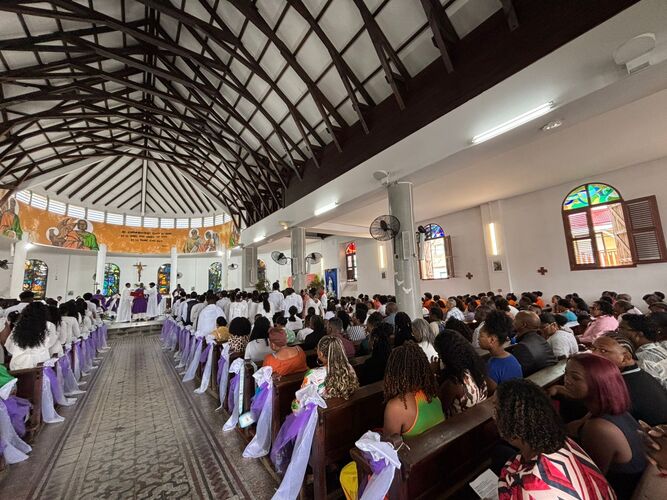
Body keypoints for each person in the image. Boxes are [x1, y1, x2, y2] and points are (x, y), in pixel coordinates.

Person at [496, 379, 616, 499]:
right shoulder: (564, 442)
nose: (493, 416)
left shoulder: (528, 487)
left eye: (496, 409)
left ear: (515, 426)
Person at [548, 354, 647, 498]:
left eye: (575, 378)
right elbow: (572, 428)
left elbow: (591, 481)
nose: (567, 380)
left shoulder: (599, 428)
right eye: (566, 373)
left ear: (598, 384)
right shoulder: (605, 409)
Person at [591, 333, 667, 426]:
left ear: (625, 357)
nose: (593, 354)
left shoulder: (621, 386)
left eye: (603, 351)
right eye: (593, 349)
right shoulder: (638, 375)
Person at [292, 336, 359, 410]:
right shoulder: (349, 368)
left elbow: (300, 404)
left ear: (320, 354)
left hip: (321, 415)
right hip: (345, 411)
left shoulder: (313, 375)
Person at [434, 330, 488, 416]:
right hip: (478, 417)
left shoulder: (453, 383)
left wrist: (432, 375)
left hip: (459, 423)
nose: (439, 357)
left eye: (439, 353)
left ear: (446, 356)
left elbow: (437, 410)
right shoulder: (476, 368)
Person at [620, 313, 667, 390]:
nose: (617, 332)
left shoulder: (640, 360)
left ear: (638, 334)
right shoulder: (660, 348)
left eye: (621, 328)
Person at [5, 303, 57, 370]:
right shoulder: (49, 325)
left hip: (18, 363)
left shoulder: (18, 325)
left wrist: (21, 351)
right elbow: (50, 343)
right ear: (44, 314)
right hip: (40, 364)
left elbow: (9, 346)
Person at [479, 310, 523, 384]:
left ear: (492, 340)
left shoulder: (492, 368)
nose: (478, 338)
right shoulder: (511, 357)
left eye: (481, 335)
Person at [511, 311, 557, 376]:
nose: (513, 322)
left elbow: (519, 373)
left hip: (538, 379)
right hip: (549, 376)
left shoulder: (522, 347)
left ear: (523, 325)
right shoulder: (541, 339)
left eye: (515, 320)